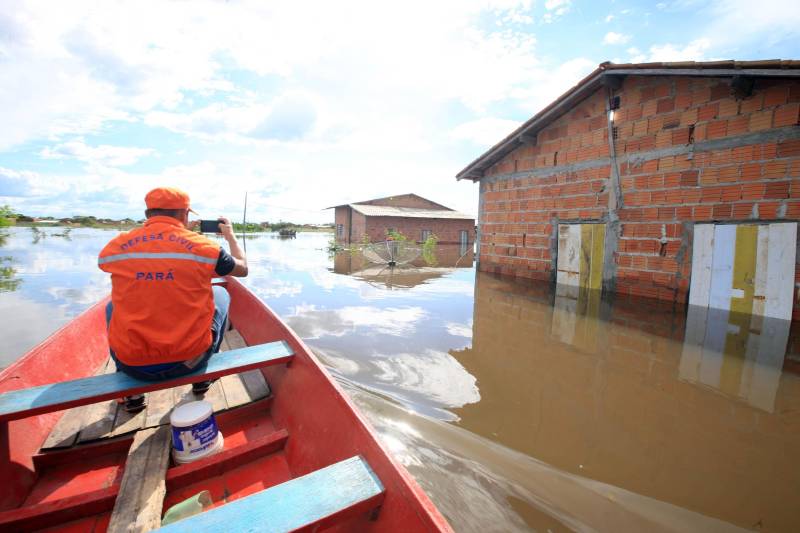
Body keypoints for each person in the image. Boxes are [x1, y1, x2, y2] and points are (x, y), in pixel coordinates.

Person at [98, 187, 248, 412]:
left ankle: (133, 394)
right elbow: (242, 269)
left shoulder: (117, 245)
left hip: (132, 365)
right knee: (221, 294)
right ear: (185, 214)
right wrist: (230, 236)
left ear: (148, 213)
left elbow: (112, 262)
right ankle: (201, 380)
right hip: (189, 362)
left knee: (111, 307)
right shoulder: (203, 247)